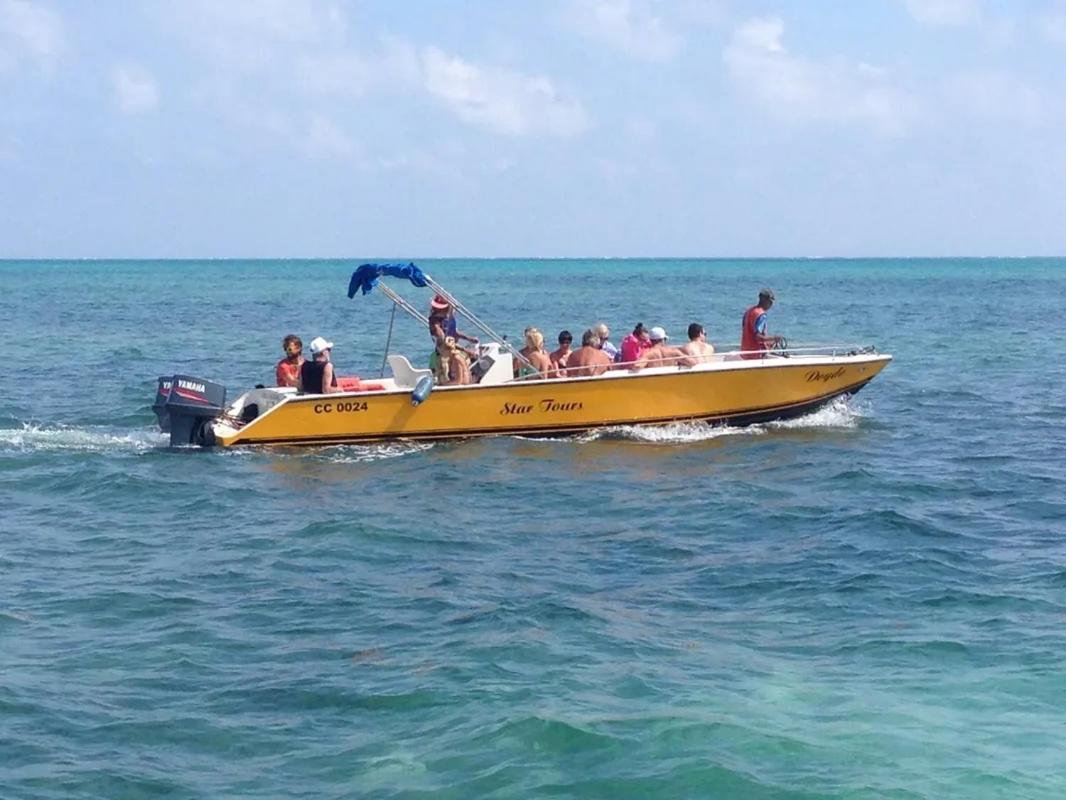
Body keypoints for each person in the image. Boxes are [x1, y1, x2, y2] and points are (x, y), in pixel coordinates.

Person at [740, 288, 783, 359]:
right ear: (766, 301)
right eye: (771, 301)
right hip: (756, 355)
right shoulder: (761, 315)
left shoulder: (748, 312)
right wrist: (774, 338)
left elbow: (749, 333)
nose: (772, 304)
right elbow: (758, 337)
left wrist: (768, 344)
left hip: (745, 353)